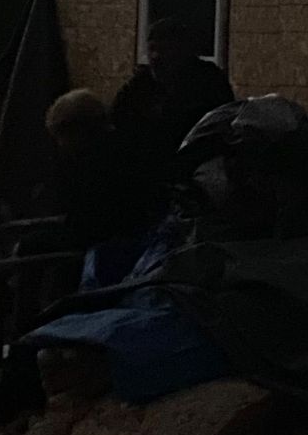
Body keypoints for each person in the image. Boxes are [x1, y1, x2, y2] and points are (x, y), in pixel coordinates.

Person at [112, 17, 235, 203]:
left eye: (164, 49)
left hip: (195, 176)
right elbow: (117, 123)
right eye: (152, 49)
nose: (156, 57)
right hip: (145, 177)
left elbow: (220, 132)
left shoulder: (208, 83)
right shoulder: (139, 85)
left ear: (183, 52)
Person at [44, 88, 160, 274]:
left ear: (76, 131)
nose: (60, 145)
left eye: (61, 137)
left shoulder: (92, 164)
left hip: (105, 247)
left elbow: (87, 225)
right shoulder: (124, 148)